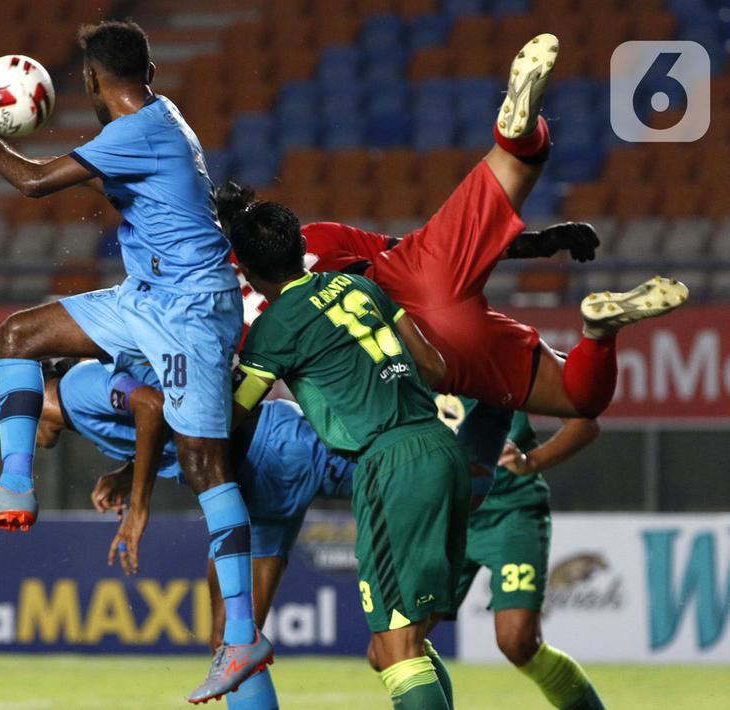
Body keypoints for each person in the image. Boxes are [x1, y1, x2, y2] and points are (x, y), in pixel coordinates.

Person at [0, 20, 266, 699]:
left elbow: (31, 182)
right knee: (19, 335)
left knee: (206, 466)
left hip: (191, 311)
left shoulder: (137, 130)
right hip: (145, 297)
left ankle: (240, 639)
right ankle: (15, 487)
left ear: (88, 80)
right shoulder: (153, 118)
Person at [221, 33, 687, 500]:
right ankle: (514, 132)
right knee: (520, 161)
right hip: (418, 277)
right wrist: (537, 243)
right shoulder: (316, 236)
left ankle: (599, 331)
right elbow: (418, 245)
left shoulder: (229, 313)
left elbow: (238, 400)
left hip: (414, 364)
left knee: (578, 398)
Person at [0, 350, 354, 710]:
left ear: (18, 403)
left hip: (275, 450)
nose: (9, 437)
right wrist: (127, 473)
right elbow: (169, 417)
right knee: (232, 641)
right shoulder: (79, 399)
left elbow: (152, 403)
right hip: (259, 478)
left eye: (3, 420)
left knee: (399, 481)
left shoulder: (77, 388)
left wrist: (139, 502)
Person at [226, 186, 468, 709]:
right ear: (299, 246)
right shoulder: (359, 287)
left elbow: (236, 413)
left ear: (247, 270)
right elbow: (434, 368)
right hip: (442, 448)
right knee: (399, 647)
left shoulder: (274, 327)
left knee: (395, 647)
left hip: (389, 466)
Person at [439, 397, 607, 709]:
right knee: (393, 647)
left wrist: (531, 460)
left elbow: (584, 423)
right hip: (443, 515)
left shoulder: (515, 356)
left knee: (518, 643)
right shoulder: (413, 357)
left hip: (510, 512)